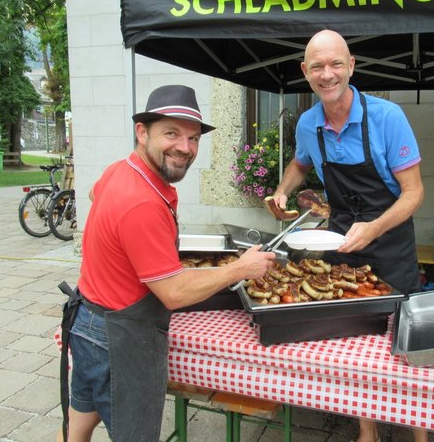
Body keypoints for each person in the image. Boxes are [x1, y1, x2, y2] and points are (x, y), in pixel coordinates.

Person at [59, 85, 275, 442]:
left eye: (193, 138)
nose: (184, 147)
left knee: (76, 427)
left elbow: (94, 193)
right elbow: (173, 293)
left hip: (87, 318)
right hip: (120, 338)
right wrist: (239, 268)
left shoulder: (120, 170)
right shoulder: (143, 203)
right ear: (142, 132)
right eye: (171, 133)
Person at [270, 30, 428, 442]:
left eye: (336, 64)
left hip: (390, 238)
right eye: (317, 66)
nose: (327, 74)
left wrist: (375, 227)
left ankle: (420, 433)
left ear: (351, 66)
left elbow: (415, 193)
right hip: (340, 242)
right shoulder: (308, 124)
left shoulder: (387, 118)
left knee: (406, 339)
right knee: (352, 337)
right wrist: (283, 190)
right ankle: (367, 429)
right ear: (305, 72)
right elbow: (300, 164)